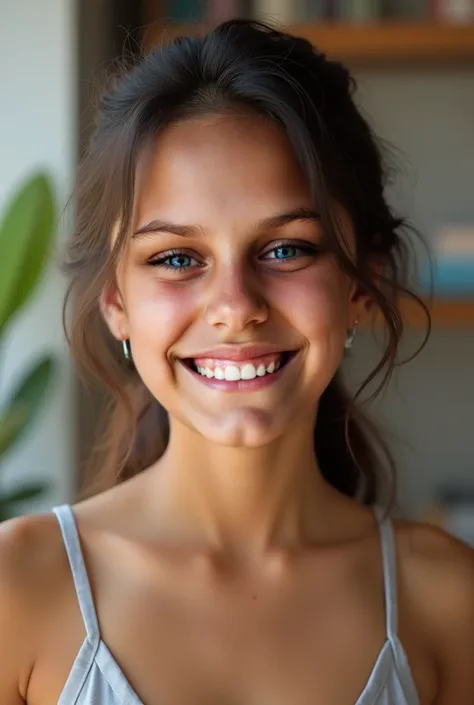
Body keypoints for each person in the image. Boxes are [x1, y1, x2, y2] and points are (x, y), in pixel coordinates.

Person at [0, 18, 473, 705]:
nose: (235, 306)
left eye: (286, 249)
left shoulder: (449, 601)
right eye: (176, 258)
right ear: (115, 302)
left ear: (363, 284)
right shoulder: (17, 588)